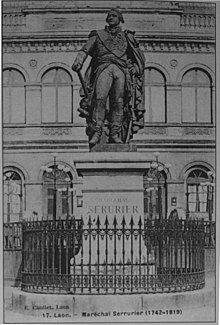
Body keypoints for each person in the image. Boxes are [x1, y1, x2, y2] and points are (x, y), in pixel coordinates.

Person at [72, 8, 145, 146]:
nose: (111, 18)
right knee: (100, 99)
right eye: (109, 16)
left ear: (120, 19)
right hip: (103, 68)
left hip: (121, 70)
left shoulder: (126, 37)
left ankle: (115, 133)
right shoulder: (98, 35)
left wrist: (135, 68)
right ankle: (97, 132)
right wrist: (78, 60)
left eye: (114, 16)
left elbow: (136, 57)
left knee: (118, 102)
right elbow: (84, 50)